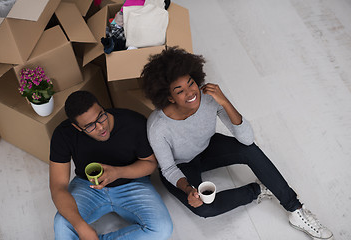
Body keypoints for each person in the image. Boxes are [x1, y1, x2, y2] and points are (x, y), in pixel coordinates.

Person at [140, 47, 333, 240]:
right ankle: (259, 189)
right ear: (169, 97)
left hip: (207, 147)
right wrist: (188, 189)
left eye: (191, 84)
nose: (190, 92)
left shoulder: (208, 98)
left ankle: (296, 210)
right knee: (205, 209)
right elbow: (168, 169)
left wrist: (224, 101)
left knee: (249, 150)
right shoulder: (158, 126)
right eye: (179, 91)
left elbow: (247, 139)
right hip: (181, 166)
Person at [49, 91, 173, 240]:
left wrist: (118, 172)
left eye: (101, 116)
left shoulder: (133, 122)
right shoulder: (63, 134)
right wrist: (80, 227)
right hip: (88, 186)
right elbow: (58, 187)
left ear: (102, 108)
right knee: (62, 225)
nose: (101, 127)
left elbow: (150, 163)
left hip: (132, 182)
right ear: (77, 127)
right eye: (90, 126)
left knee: (162, 228)